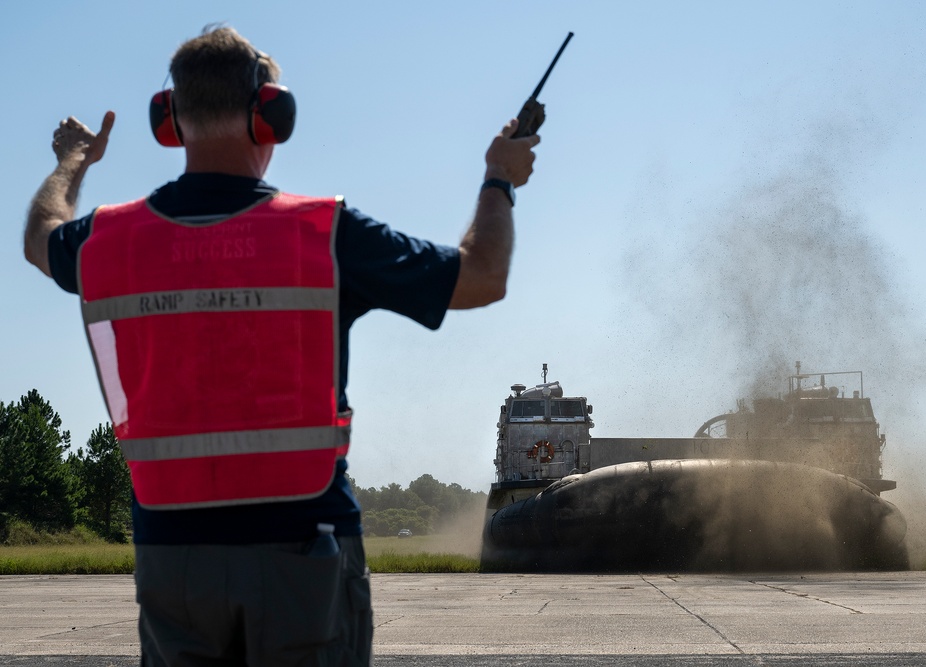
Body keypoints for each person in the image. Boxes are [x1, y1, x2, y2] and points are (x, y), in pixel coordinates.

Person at [23, 26, 539, 667]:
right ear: (270, 115)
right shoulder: (322, 233)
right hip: (305, 556)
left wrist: (73, 159)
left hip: (171, 559)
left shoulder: (106, 241)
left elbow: (40, 234)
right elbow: (483, 275)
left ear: (170, 121)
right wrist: (499, 179)